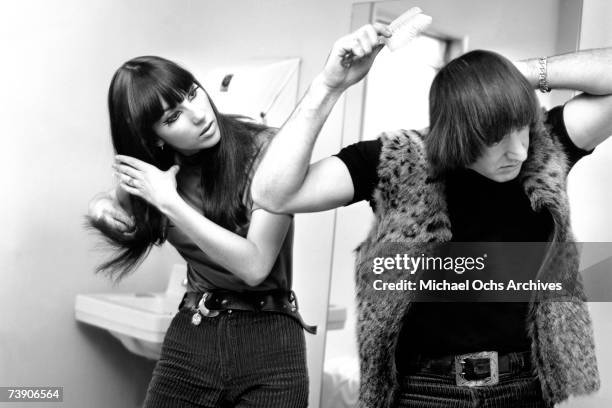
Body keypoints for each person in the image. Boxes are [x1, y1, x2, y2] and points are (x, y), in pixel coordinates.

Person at [251, 17, 612, 408]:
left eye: (522, 128)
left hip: (523, 387)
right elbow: (274, 194)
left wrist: (515, 76)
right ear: (455, 130)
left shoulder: (546, 146)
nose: (519, 151)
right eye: (496, 138)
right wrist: (329, 84)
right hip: (426, 392)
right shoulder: (397, 161)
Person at [87, 55, 314, 408]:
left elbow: (255, 266)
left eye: (192, 93)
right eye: (172, 117)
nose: (198, 115)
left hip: (271, 345)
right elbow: (114, 202)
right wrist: (100, 208)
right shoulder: (156, 174)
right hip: (192, 335)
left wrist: (170, 202)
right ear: (154, 138)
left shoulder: (268, 149)